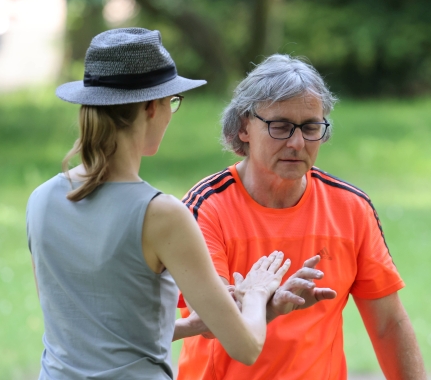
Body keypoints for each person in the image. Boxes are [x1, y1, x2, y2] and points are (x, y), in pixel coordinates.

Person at [26, 28, 293, 380]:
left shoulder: (41, 199)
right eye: (173, 102)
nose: (170, 113)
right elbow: (245, 346)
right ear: (152, 106)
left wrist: (192, 324)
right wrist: (257, 294)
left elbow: (88, 333)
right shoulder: (160, 214)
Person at [177, 54, 426, 380]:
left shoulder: (350, 208)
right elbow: (211, 321)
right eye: (280, 126)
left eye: (310, 127)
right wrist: (270, 301)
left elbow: (387, 325)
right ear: (243, 127)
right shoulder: (206, 206)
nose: (297, 143)